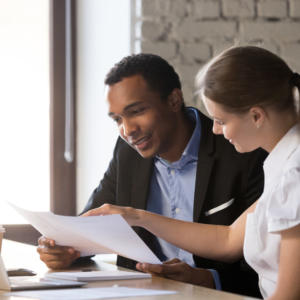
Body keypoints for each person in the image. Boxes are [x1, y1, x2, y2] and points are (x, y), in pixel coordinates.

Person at [37, 53, 266, 297]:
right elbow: (92, 223)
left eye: (136, 112)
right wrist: (63, 249)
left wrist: (208, 278)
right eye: (117, 119)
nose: (127, 131)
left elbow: (269, 266)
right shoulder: (127, 153)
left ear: (174, 100)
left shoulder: (243, 151)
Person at [83, 47, 300, 299]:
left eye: (221, 120)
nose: (216, 131)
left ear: (256, 116)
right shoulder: (281, 163)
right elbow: (228, 240)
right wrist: (136, 216)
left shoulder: (293, 173)